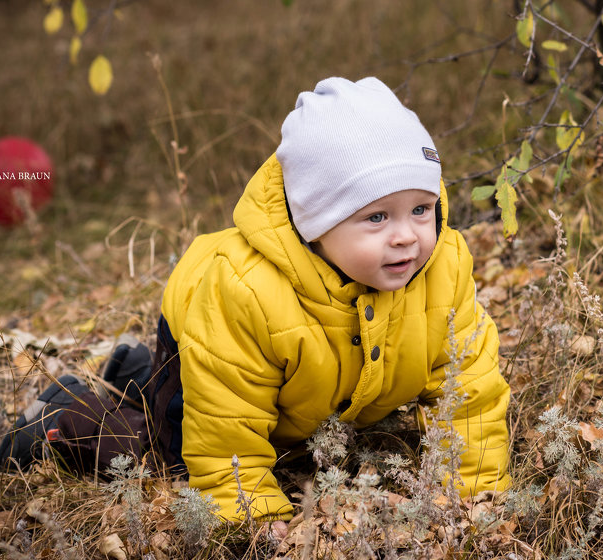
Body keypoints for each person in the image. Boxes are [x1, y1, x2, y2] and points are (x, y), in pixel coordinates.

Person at [149, 76, 511, 530]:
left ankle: (132, 366)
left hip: (306, 384)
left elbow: (471, 388)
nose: (406, 236)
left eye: (421, 209)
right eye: (376, 217)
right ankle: (65, 418)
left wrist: (475, 491)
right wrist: (253, 518)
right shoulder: (246, 292)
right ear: (315, 225)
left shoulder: (445, 267)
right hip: (201, 340)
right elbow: (227, 425)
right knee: (166, 450)